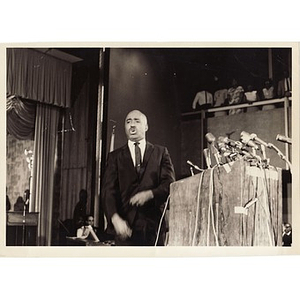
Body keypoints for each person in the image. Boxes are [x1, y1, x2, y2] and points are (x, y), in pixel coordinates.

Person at [101, 109, 175, 246]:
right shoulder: (114, 157)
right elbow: (107, 192)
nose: (132, 125)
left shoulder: (161, 153)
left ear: (146, 127)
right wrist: (115, 218)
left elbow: (170, 184)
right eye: (128, 122)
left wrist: (151, 194)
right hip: (125, 229)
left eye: (137, 121)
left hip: (153, 229)